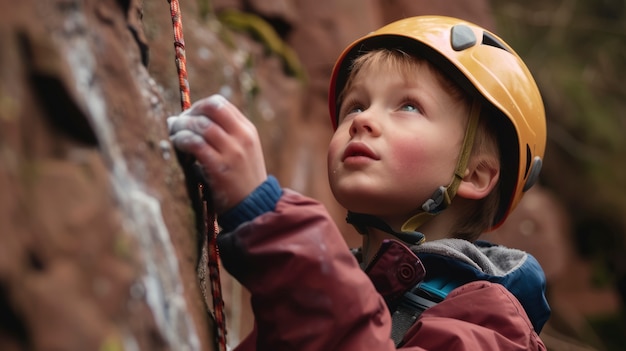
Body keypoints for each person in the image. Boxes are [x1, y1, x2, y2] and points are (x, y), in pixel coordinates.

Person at [168, 15, 550, 351]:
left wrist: (266, 218)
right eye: (356, 105)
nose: (361, 121)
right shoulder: (328, 286)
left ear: (475, 174)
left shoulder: (492, 324)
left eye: (409, 106)